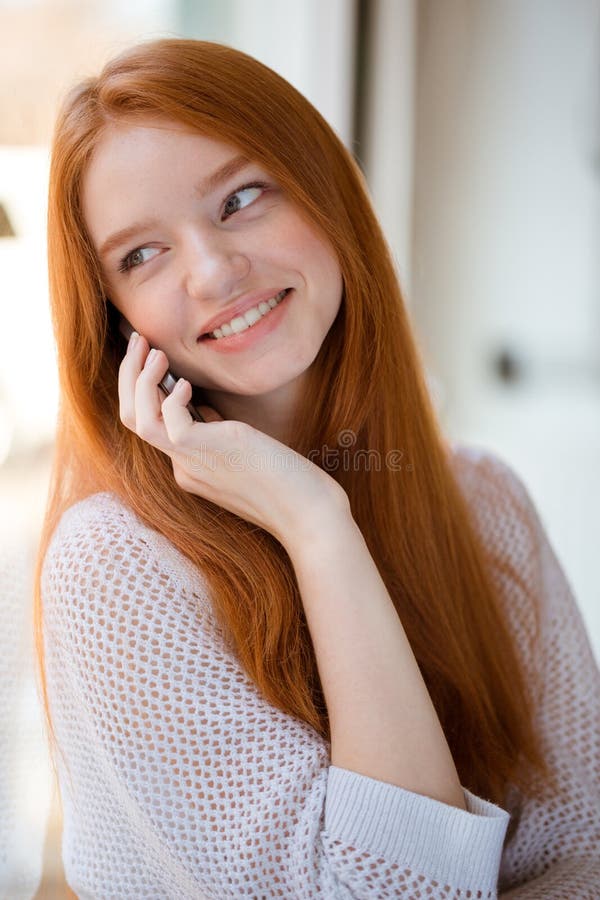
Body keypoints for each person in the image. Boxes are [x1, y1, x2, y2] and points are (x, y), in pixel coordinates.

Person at [33, 38, 599, 898]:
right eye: (141, 255)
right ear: (115, 320)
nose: (216, 272)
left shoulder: (486, 503)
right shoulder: (114, 565)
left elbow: (584, 854)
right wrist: (316, 527)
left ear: (327, 191)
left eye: (241, 197)